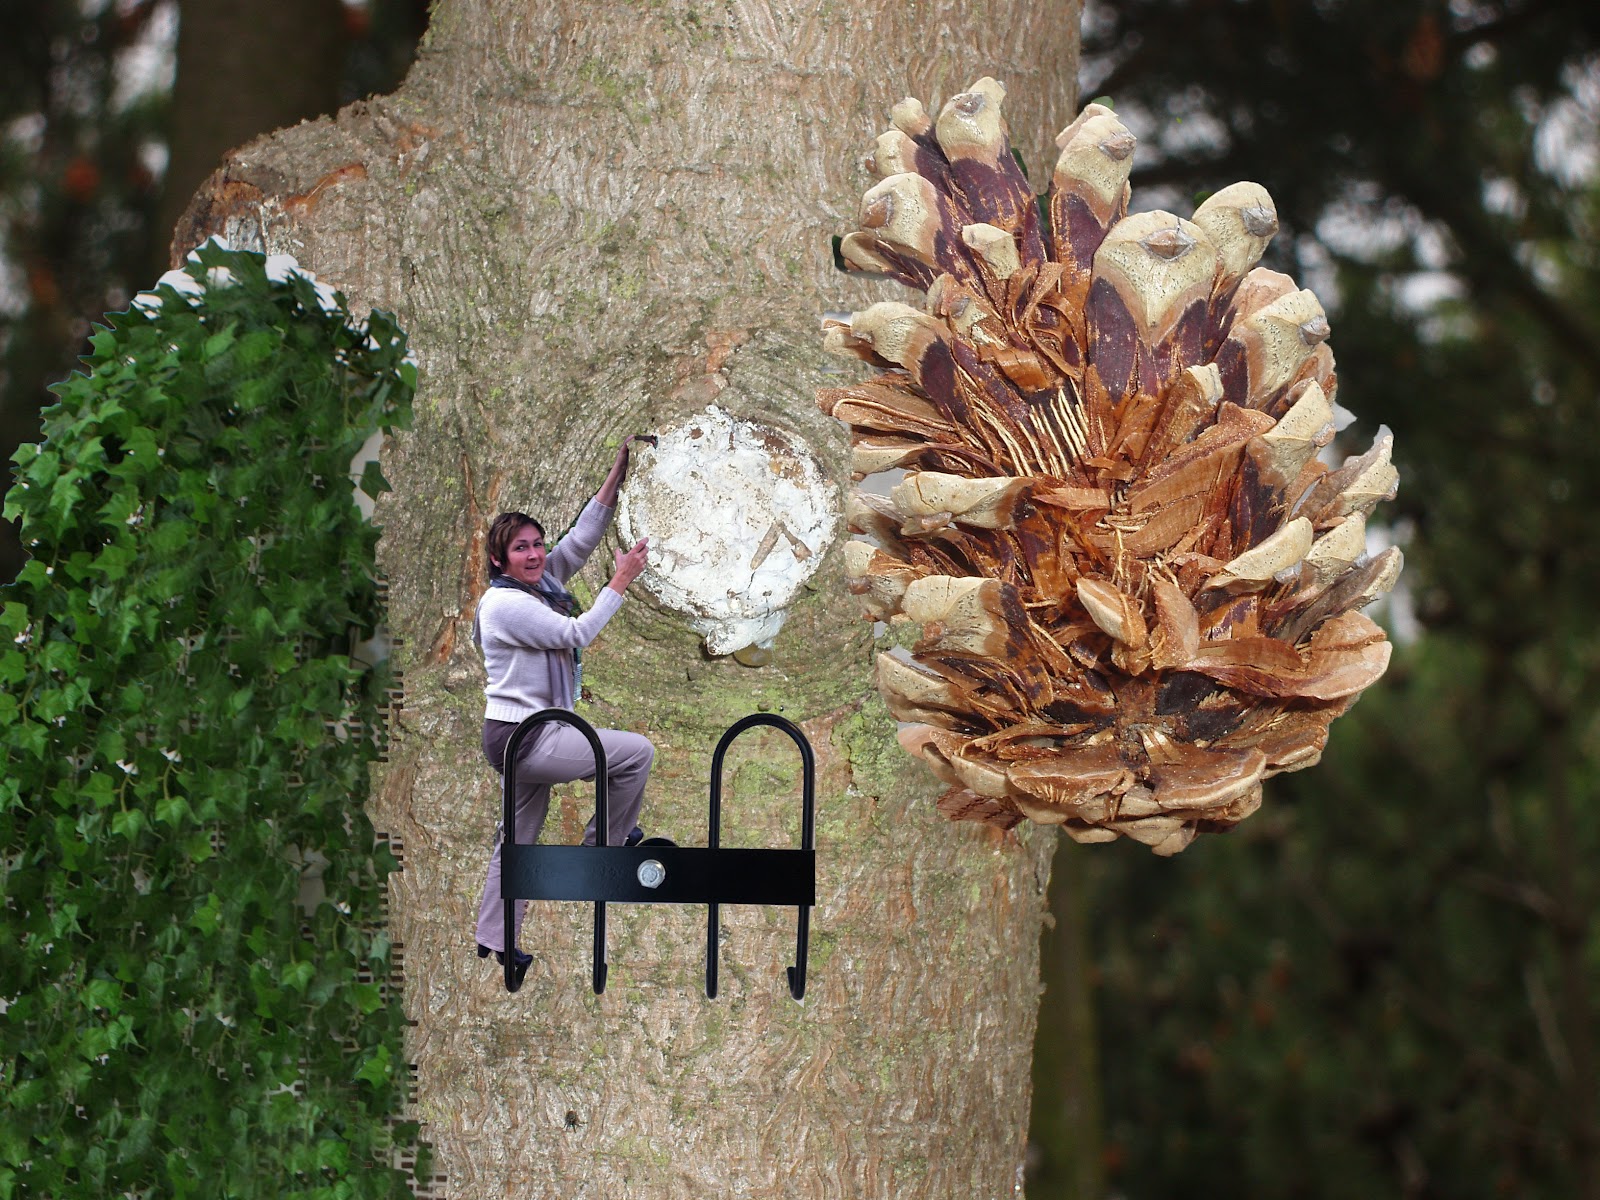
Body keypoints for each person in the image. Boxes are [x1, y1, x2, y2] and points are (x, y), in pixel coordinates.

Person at [471, 438, 652, 985]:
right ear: (499, 559)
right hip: (527, 738)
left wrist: (616, 477)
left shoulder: (539, 584)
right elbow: (577, 633)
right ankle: (604, 847)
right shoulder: (506, 604)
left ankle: (496, 941)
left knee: (517, 841)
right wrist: (621, 579)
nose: (534, 555)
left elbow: (579, 541)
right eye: (520, 549)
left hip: (518, 734)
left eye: (537, 544)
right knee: (634, 754)